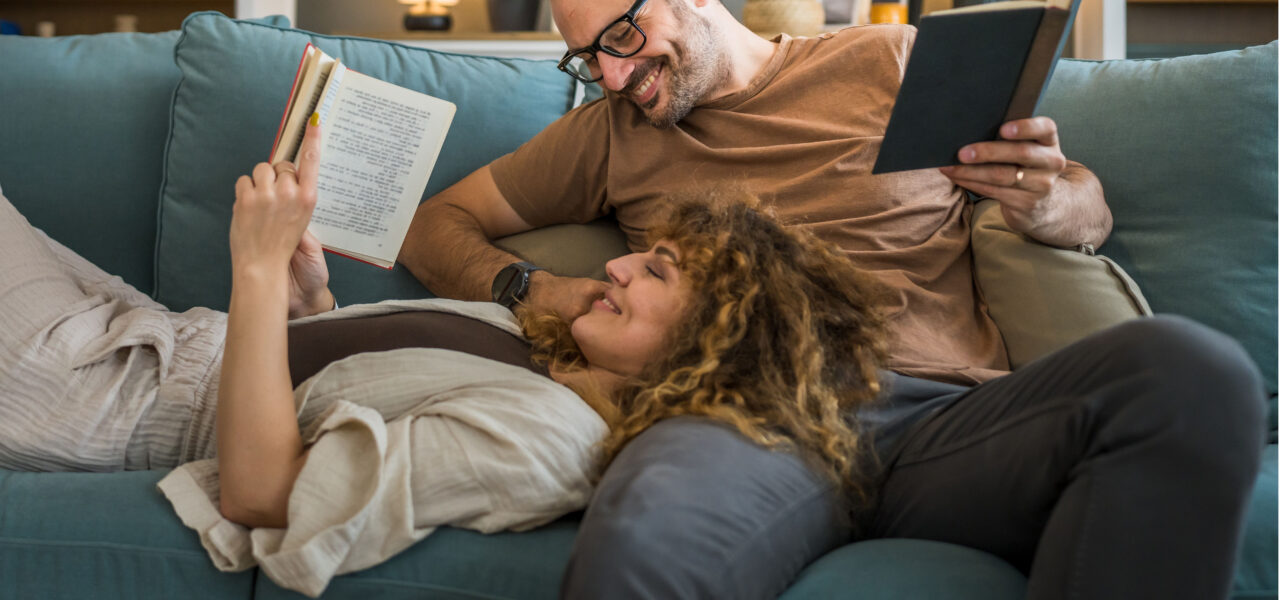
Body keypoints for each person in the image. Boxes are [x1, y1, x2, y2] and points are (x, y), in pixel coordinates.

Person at [398, 0, 1267, 600]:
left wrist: (1054, 204)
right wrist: (526, 287)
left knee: (1192, 372)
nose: (616, 75)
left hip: (942, 418)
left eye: (621, 37)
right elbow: (431, 221)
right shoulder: (610, 132)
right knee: (643, 540)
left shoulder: (889, 61)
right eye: (588, 59)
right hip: (746, 425)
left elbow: (1086, 208)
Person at [0, 117, 894, 595]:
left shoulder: (540, 444)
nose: (617, 262)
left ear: (712, 346)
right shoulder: (560, 360)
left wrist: (260, 269)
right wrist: (312, 299)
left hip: (105, 391)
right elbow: (349, 381)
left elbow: (263, 491)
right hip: (153, 328)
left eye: (656, 271)